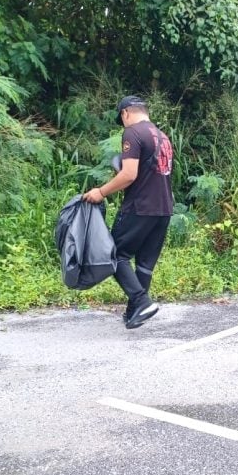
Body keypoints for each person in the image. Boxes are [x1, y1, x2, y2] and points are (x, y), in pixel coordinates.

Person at [83, 95, 174, 329]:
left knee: (114, 255)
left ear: (126, 113)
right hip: (163, 209)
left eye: (121, 118)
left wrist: (100, 192)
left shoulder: (132, 133)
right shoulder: (162, 137)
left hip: (139, 207)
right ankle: (135, 313)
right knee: (144, 264)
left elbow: (129, 174)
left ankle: (141, 301)